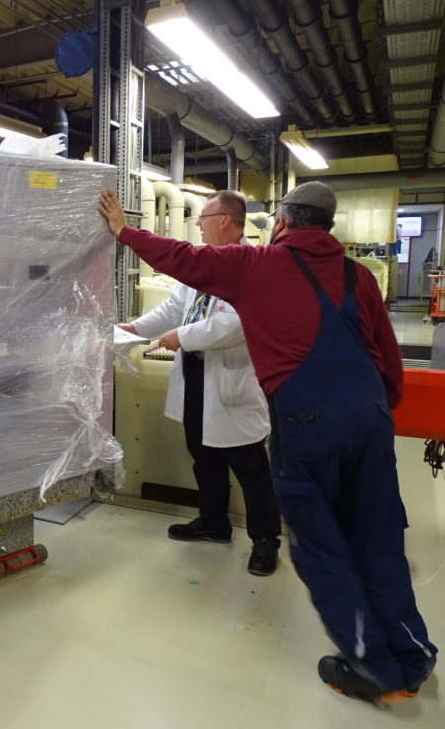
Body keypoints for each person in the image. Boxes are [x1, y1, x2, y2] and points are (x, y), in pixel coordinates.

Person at [98, 182, 436, 704]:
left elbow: (181, 257)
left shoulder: (257, 265)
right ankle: (413, 657)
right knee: (377, 535)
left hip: (308, 419)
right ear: (328, 226)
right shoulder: (359, 275)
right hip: (369, 418)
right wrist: (378, 408)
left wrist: (125, 231)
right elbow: (387, 354)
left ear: (281, 223)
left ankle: (375, 669)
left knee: (321, 542)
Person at [118, 191, 281, 576]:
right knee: (203, 456)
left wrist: (183, 337)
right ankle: (213, 522)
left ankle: (265, 540)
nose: (197, 223)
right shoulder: (204, 264)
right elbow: (176, 307)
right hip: (196, 375)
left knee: (250, 466)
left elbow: (238, 322)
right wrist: (136, 329)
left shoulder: (255, 265)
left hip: (232, 380)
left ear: (225, 220)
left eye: (204, 217)